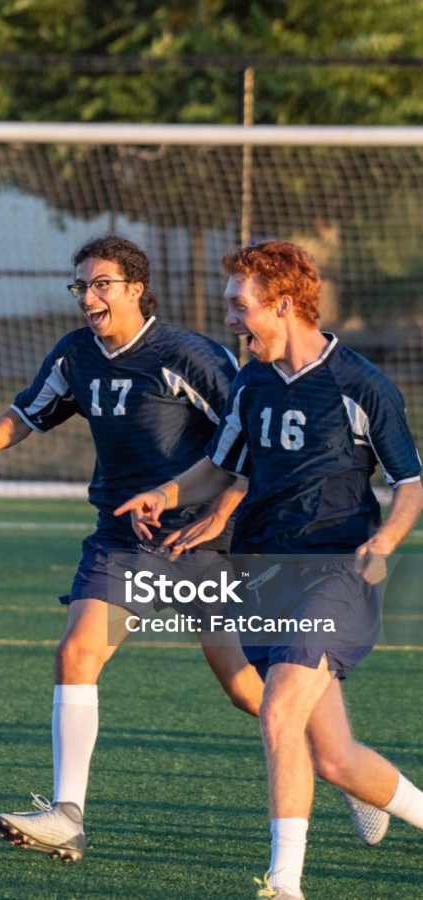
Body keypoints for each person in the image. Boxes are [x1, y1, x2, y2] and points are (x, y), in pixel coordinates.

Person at [0, 235, 271, 862]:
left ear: (135, 290)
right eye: (81, 286)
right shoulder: (76, 354)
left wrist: (219, 515)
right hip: (123, 540)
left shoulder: (188, 355)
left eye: (101, 284)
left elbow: (250, 442)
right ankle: (67, 816)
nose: (88, 296)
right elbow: (30, 410)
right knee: (76, 653)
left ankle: (346, 769)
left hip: (203, 542)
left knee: (247, 690)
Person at [119, 240, 423, 899]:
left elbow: (411, 483)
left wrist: (386, 540)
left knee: (278, 709)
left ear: (282, 305)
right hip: (262, 574)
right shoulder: (251, 382)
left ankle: (284, 883)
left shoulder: (361, 385)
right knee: (334, 759)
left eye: (239, 305)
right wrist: (167, 493)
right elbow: (223, 466)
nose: (229, 318)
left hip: (337, 572)